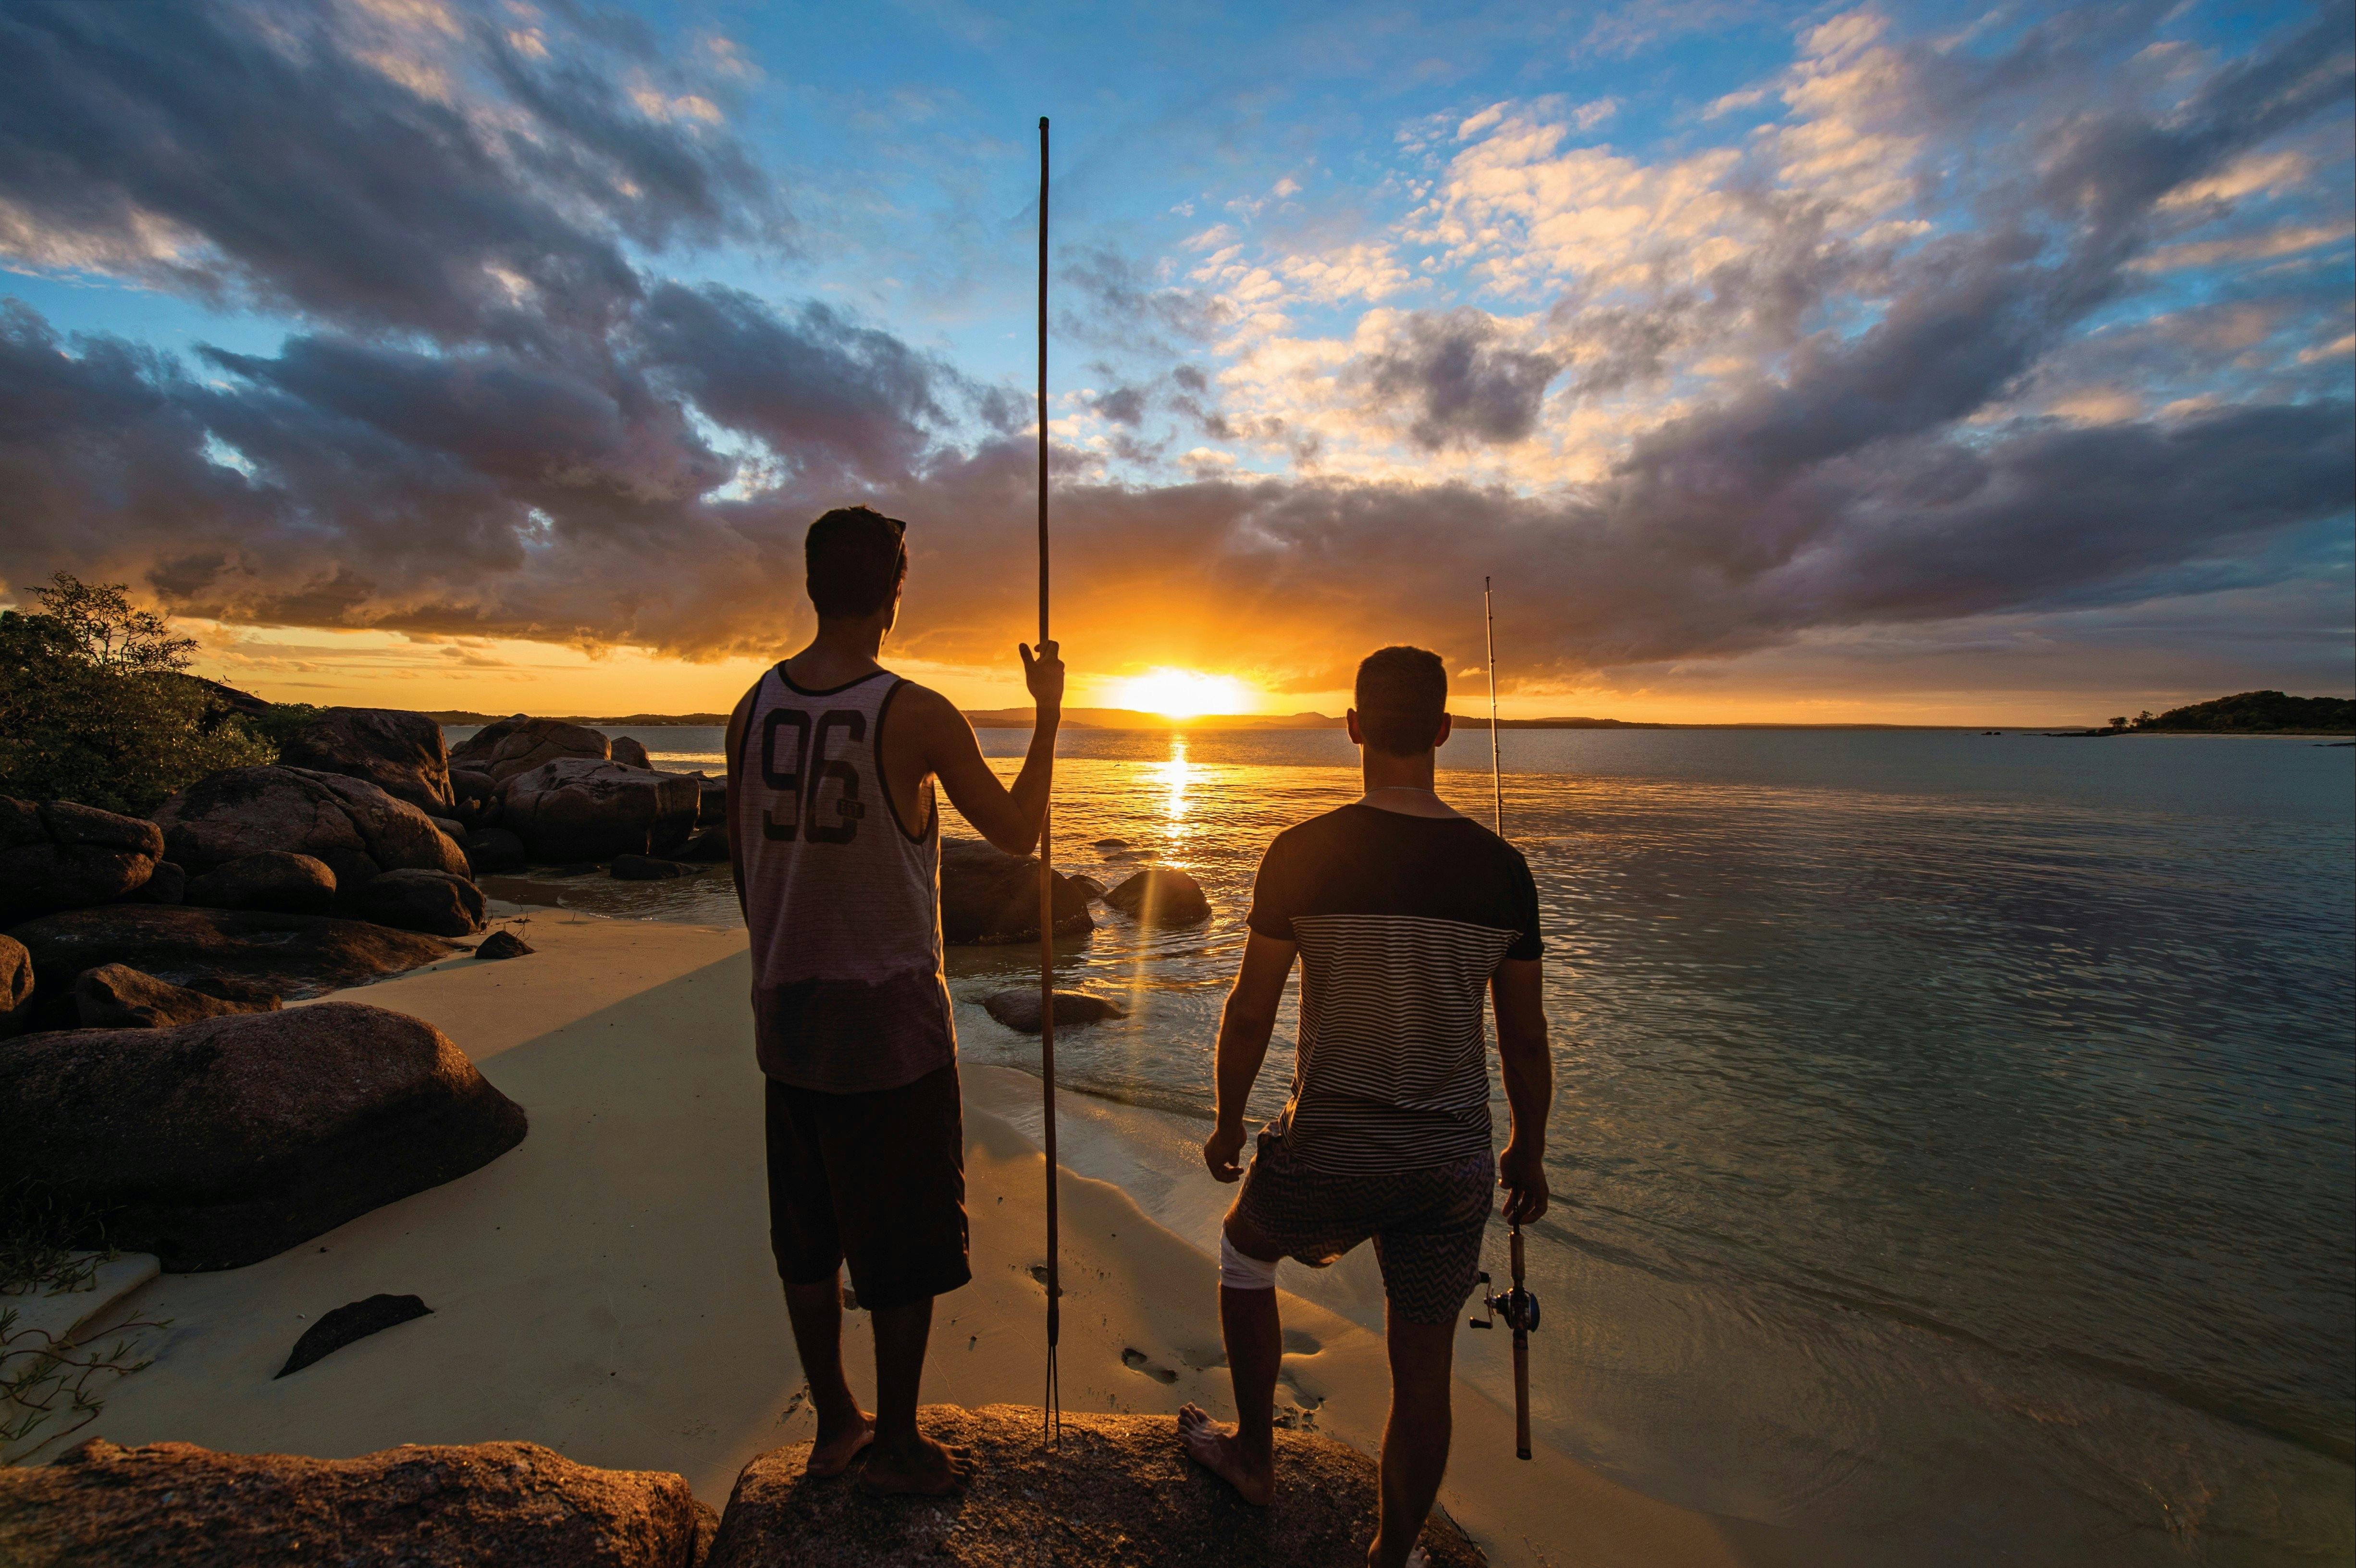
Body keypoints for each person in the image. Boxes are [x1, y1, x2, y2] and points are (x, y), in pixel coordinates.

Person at [1178, 644, 1551, 1568]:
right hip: (1450, 1162)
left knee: (1243, 1249)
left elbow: (1252, 1009)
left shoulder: (1303, 853)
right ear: (1443, 731)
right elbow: (1526, 1040)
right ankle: (1391, 1556)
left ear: (1352, 727)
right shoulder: (1503, 871)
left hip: (1335, 1147)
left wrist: (1229, 1122)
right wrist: (1528, 1149)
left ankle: (1255, 1457)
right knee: (1422, 1365)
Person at [726, 505, 1063, 1495]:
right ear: (893, 597)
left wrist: (783, 955)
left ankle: (836, 1420)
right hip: (889, 1022)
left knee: (807, 1231)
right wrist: (1047, 714)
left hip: (786, 1009)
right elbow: (1015, 834)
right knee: (904, 1239)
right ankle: (901, 1443)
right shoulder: (912, 711)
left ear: (812, 586)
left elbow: (746, 865)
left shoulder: (749, 708)